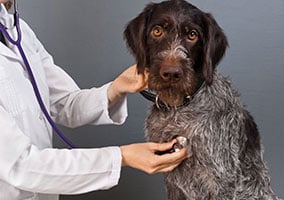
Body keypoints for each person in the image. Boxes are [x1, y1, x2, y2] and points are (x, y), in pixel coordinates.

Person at [0, 1, 187, 199]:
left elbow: (65, 102)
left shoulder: (19, 32)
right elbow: (22, 166)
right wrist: (123, 157)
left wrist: (117, 88)